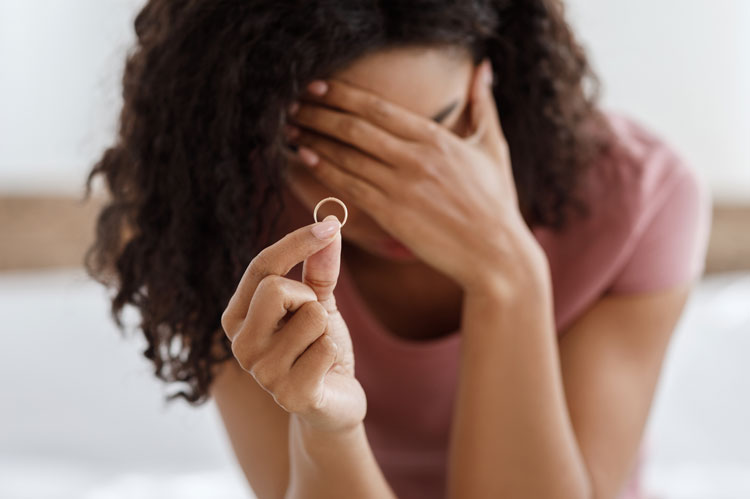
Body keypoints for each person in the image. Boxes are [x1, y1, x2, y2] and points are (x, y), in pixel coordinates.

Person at [82, 1, 712, 498]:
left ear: (487, 78)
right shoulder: (205, 218)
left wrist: (508, 274)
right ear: (257, 130)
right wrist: (329, 428)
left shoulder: (640, 202)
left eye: (437, 135)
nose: (401, 201)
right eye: (338, 153)